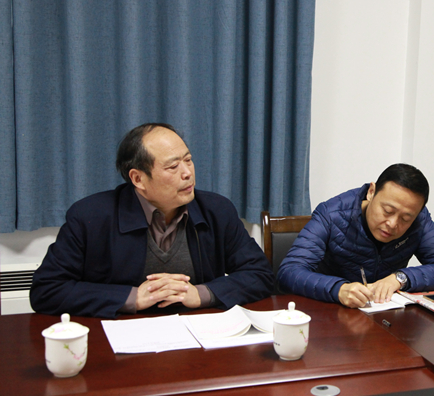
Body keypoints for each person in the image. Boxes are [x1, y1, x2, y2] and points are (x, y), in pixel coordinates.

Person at [31, 123, 274, 319]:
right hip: (121, 338)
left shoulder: (216, 210)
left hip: (199, 335)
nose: (187, 173)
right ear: (138, 179)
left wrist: (201, 294)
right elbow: (47, 290)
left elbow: (260, 274)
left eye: (188, 160)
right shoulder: (90, 217)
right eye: (173, 166)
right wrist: (131, 298)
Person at [277, 163, 434, 307]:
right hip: (330, 315)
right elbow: (289, 271)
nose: (393, 224)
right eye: (387, 211)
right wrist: (338, 289)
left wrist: (400, 278)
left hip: (385, 317)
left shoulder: (419, 221)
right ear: (371, 192)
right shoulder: (332, 214)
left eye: (405, 218)